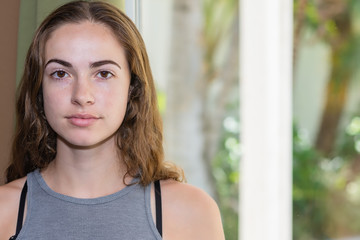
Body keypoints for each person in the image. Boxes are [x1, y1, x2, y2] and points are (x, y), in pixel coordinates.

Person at [0, 1, 225, 239]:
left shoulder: (191, 212)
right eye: (61, 74)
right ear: (39, 89)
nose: (82, 96)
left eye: (103, 74)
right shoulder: (5, 211)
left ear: (133, 88)